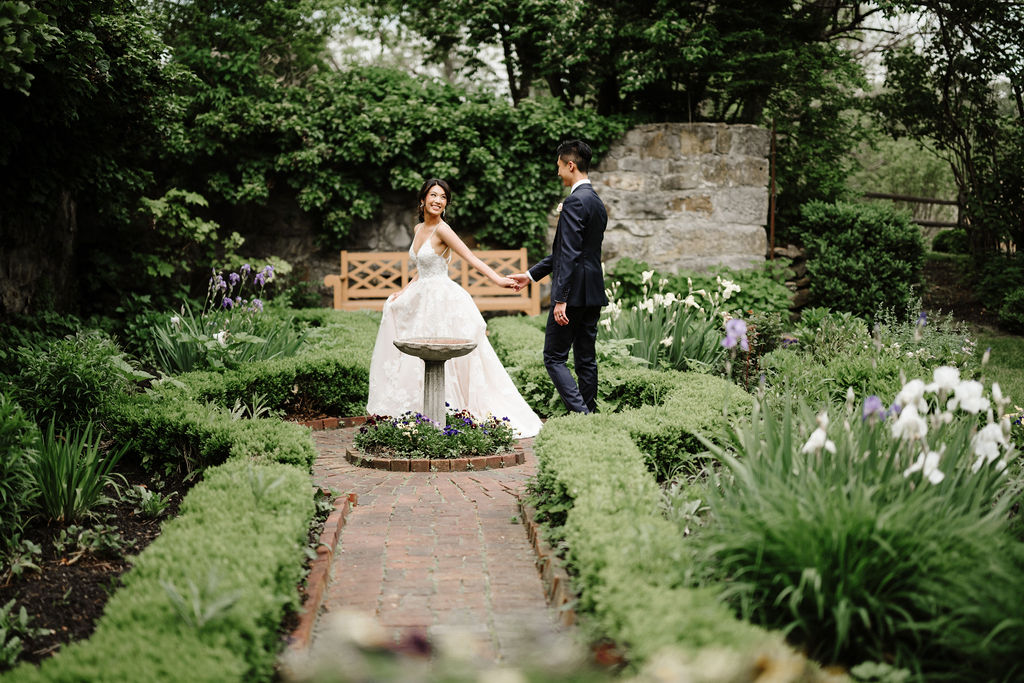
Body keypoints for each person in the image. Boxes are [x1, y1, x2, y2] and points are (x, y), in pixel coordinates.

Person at [366, 178, 543, 438]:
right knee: (409, 344)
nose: (438, 200)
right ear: (423, 199)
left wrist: (498, 280)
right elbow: (422, 269)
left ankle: (451, 413)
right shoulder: (418, 229)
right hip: (420, 297)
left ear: (446, 204)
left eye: (443, 197)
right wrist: (402, 291)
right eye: (433, 195)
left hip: (442, 300)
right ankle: (419, 412)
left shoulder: (442, 230)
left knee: (446, 357)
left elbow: (469, 257)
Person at [510, 140, 608, 414]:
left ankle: (581, 415)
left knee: (553, 357)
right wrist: (531, 275)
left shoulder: (575, 202)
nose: (558, 173)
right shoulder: (597, 202)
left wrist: (561, 298)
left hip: (573, 293)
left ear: (571, 165)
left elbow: (569, 254)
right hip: (592, 291)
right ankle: (589, 416)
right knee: (586, 358)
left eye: (559, 167)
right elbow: (572, 251)